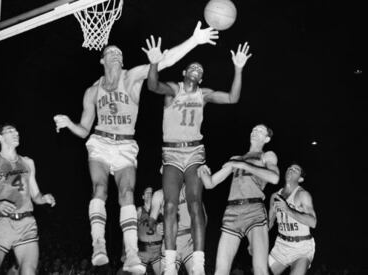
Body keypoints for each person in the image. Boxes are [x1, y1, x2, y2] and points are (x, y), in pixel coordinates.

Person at [53, 21, 218, 274]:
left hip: (125, 145)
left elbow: (165, 61)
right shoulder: (92, 91)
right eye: (111, 52)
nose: (116, 55)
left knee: (127, 193)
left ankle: (131, 254)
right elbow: (84, 129)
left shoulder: (131, 77)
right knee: (99, 188)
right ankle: (99, 245)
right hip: (99, 141)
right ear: (102, 60)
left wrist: (194, 40)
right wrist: (69, 123)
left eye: (119, 53)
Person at [146, 41, 252, 275]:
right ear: (184, 73)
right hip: (172, 152)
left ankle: (198, 263)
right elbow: (152, 86)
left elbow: (233, 98)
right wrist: (154, 63)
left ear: (201, 79)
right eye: (192, 67)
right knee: (171, 205)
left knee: (195, 204)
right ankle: (170, 263)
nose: (197, 69)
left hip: (194, 151)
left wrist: (238, 68)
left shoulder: (204, 95)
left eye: (200, 70)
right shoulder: (174, 89)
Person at [198, 124, 280, 275]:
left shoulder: (266, 155)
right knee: (220, 270)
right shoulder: (235, 159)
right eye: (253, 129)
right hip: (232, 212)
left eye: (260, 131)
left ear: (266, 139)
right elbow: (210, 184)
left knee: (260, 269)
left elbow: (274, 178)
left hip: (254, 210)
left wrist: (242, 165)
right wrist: (202, 171)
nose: (254, 132)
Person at [0, 123, 56, 275]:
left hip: (26, 224)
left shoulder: (28, 162)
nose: (16, 133)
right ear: (0, 137)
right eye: (10, 131)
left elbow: (35, 196)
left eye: (16, 131)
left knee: (28, 272)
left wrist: (44, 198)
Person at [268, 163, 317, 275]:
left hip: (301, 247)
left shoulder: (303, 195)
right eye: (289, 168)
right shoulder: (275, 196)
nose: (291, 170)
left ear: (300, 179)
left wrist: (288, 209)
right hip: (281, 246)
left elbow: (313, 222)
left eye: (296, 169)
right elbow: (269, 223)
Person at [149, 184, 207, 275]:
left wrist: (197, 235)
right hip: (171, 242)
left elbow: (203, 217)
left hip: (190, 242)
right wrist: (156, 226)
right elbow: (151, 220)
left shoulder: (190, 188)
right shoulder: (159, 194)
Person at [136, 187, 163, 275]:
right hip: (143, 251)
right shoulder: (139, 210)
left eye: (151, 193)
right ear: (143, 196)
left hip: (157, 250)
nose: (150, 195)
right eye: (147, 193)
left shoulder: (159, 211)